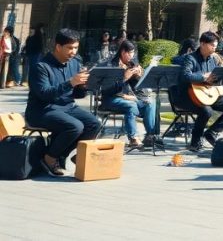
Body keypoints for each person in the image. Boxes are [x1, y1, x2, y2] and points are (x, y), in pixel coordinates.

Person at [24, 28, 101, 177]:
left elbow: (77, 95)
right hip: (42, 110)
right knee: (75, 126)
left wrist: (83, 86)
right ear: (58, 47)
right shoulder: (41, 67)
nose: (73, 52)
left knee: (94, 123)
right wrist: (71, 83)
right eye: (70, 48)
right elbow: (45, 94)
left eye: (76, 48)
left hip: (67, 107)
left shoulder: (75, 63)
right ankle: (50, 158)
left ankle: (69, 156)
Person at [174, 31, 223, 152]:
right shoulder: (190, 58)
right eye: (212, 45)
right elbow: (185, 76)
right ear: (202, 44)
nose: (214, 49)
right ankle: (195, 142)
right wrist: (204, 77)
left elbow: (214, 78)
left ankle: (212, 132)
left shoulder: (212, 60)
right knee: (206, 111)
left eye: (215, 46)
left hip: (208, 93)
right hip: (188, 96)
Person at [100, 40, 159, 148]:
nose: (132, 56)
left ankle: (151, 136)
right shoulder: (110, 65)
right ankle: (133, 138)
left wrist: (139, 76)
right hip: (111, 98)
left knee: (150, 102)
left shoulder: (130, 64)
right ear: (123, 52)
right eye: (130, 53)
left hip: (128, 97)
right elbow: (107, 90)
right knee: (130, 105)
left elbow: (137, 87)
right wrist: (124, 78)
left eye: (133, 53)